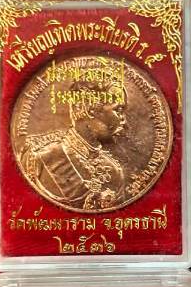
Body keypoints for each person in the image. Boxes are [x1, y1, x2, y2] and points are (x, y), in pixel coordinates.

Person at [21, 64, 127, 210]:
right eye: (118, 110)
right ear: (90, 109)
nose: (124, 120)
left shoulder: (114, 172)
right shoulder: (40, 157)